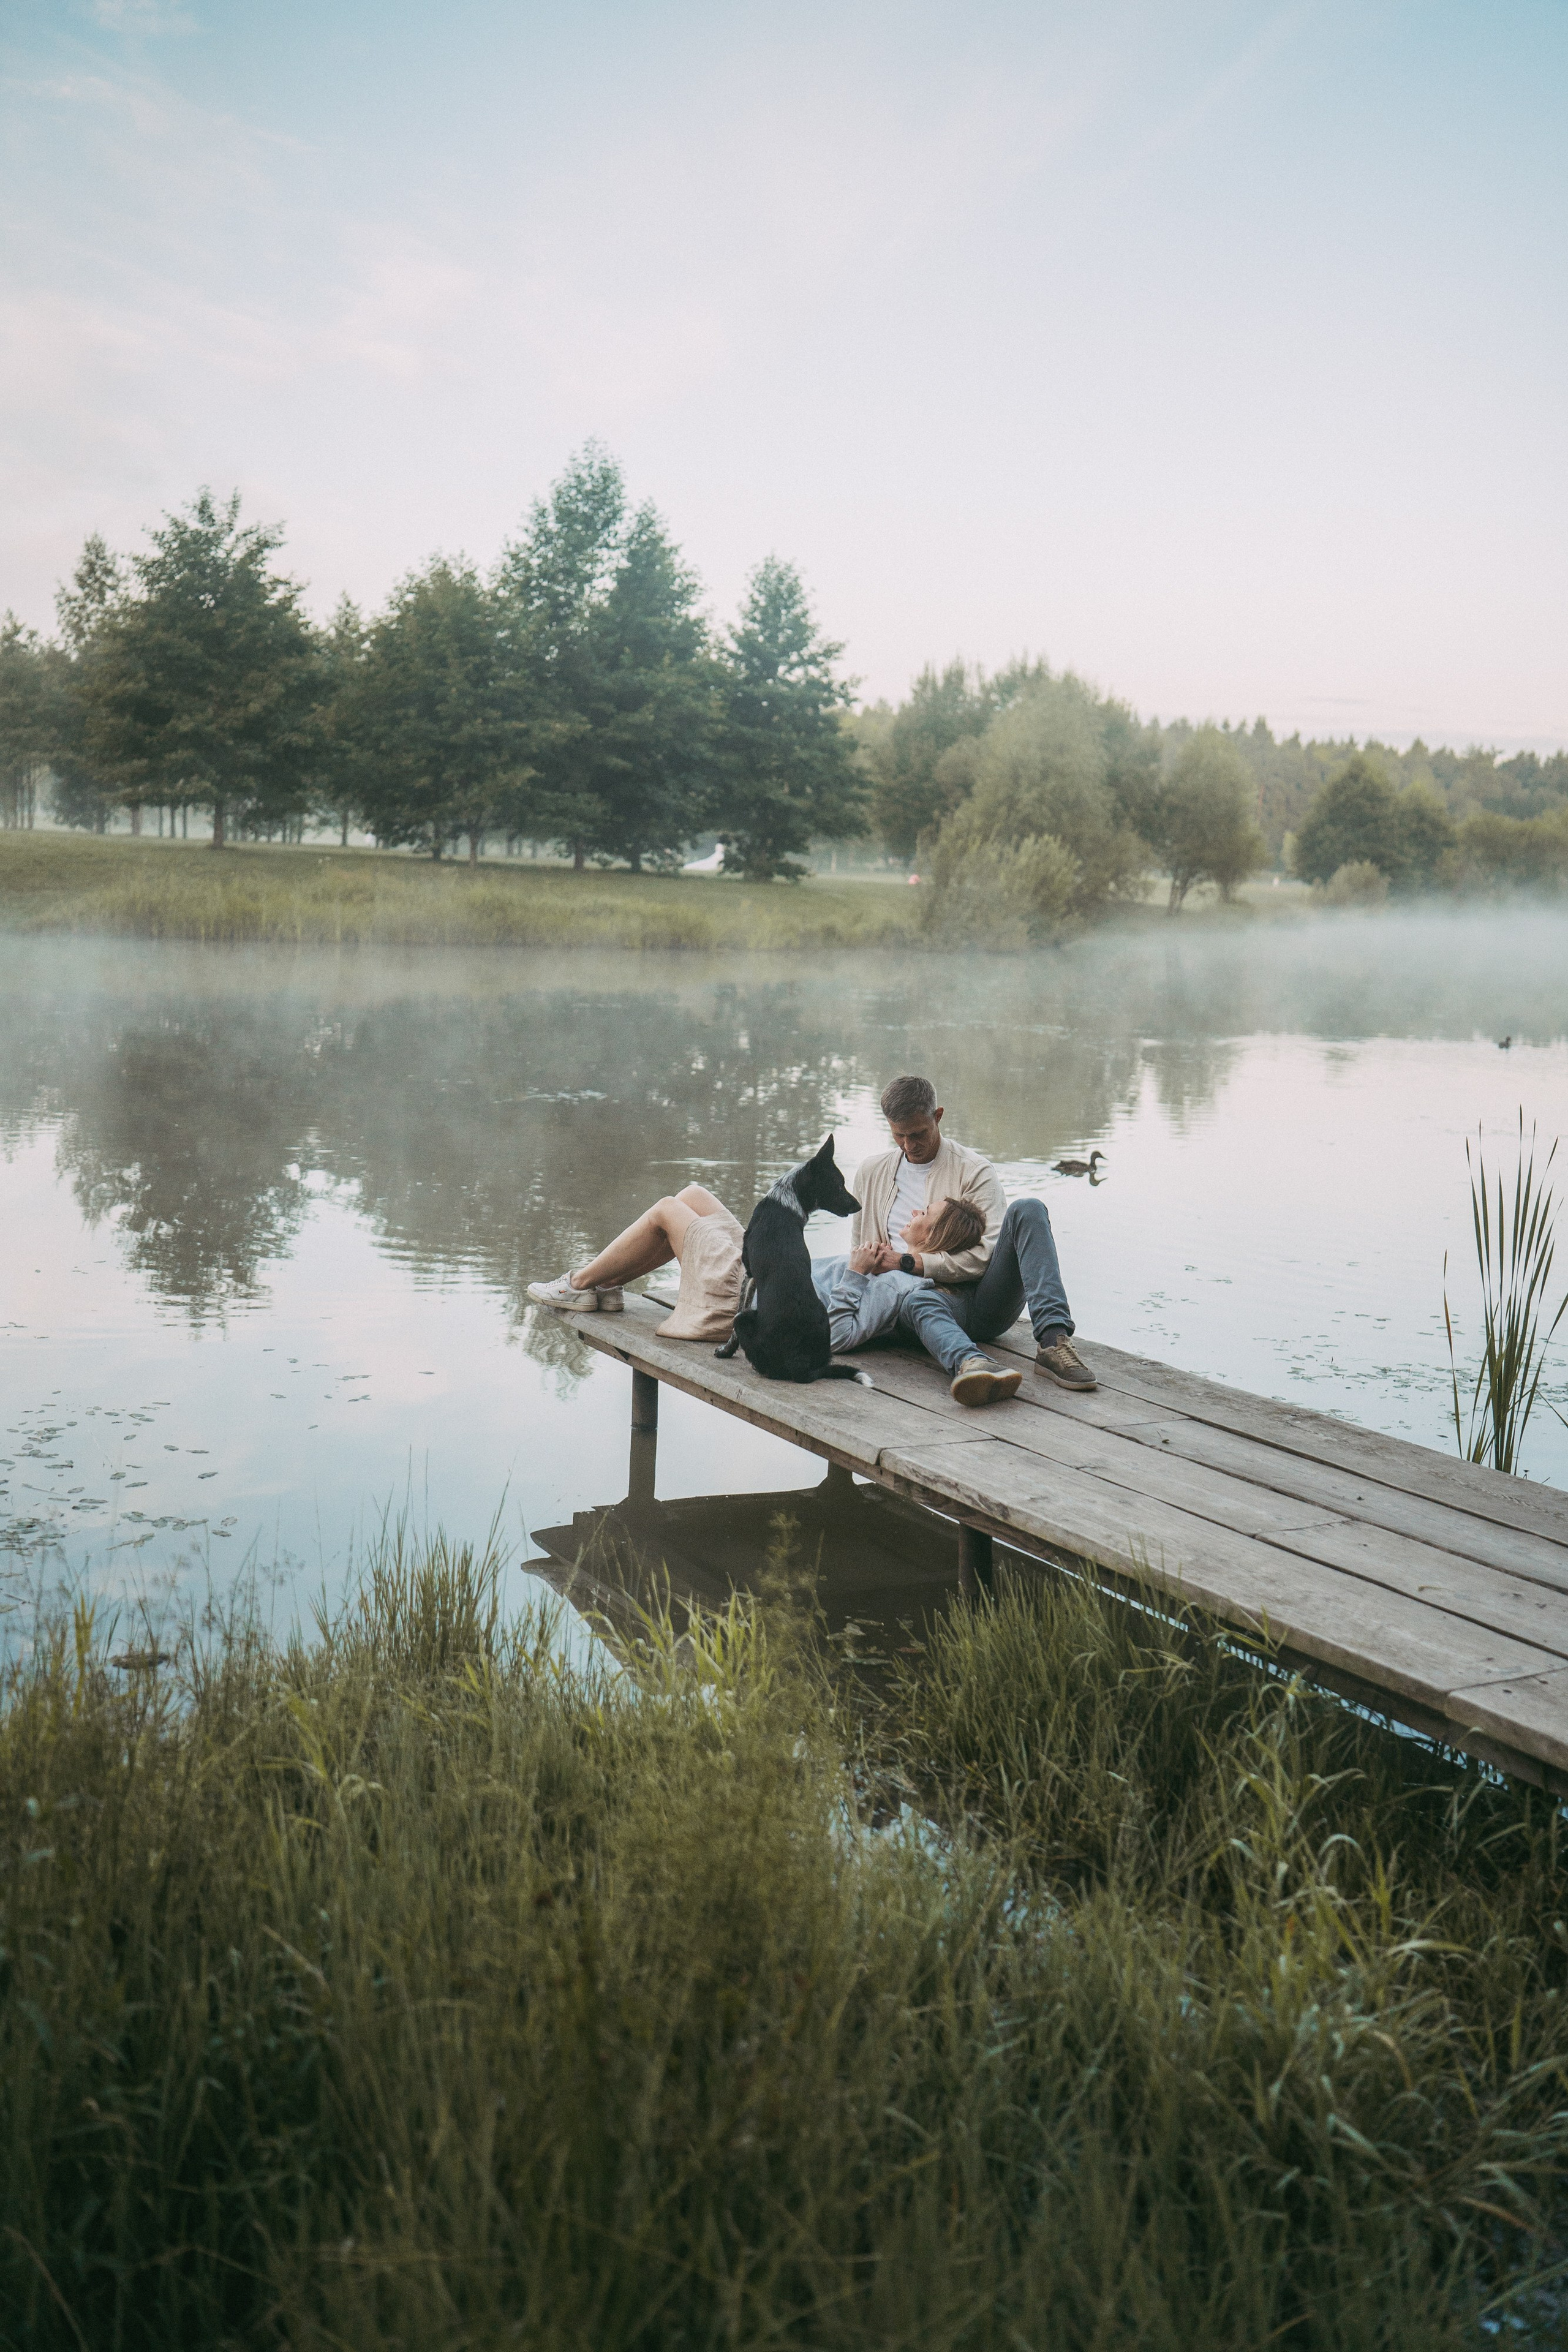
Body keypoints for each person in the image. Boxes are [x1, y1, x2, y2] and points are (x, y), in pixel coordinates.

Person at [850, 1073, 1097, 1393]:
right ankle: (972, 1365)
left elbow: (985, 1256)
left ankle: (1053, 1341)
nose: (909, 1145)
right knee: (918, 1299)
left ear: (938, 1116)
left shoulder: (974, 1170)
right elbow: (859, 1252)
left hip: (983, 1302)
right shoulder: (871, 1172)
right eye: (900, 1135)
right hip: (910, 1303)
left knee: (1029, 1209)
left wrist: (909, 1262)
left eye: (918, 1133)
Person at [812, 1193, 1025, 1406]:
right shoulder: (889, 1272)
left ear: (933, 1236)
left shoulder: (897, 1283)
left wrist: (855, 1272)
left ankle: (976, 1364)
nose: (914, 1212)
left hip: (797, 1301)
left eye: (924, 1213)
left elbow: (837, 1337)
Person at [526, 1183, 743, 1341]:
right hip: (751, 1273)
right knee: (693, 1195)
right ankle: (605, 1284)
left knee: (666, 1210)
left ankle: (578, 1284)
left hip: (741, 1297)